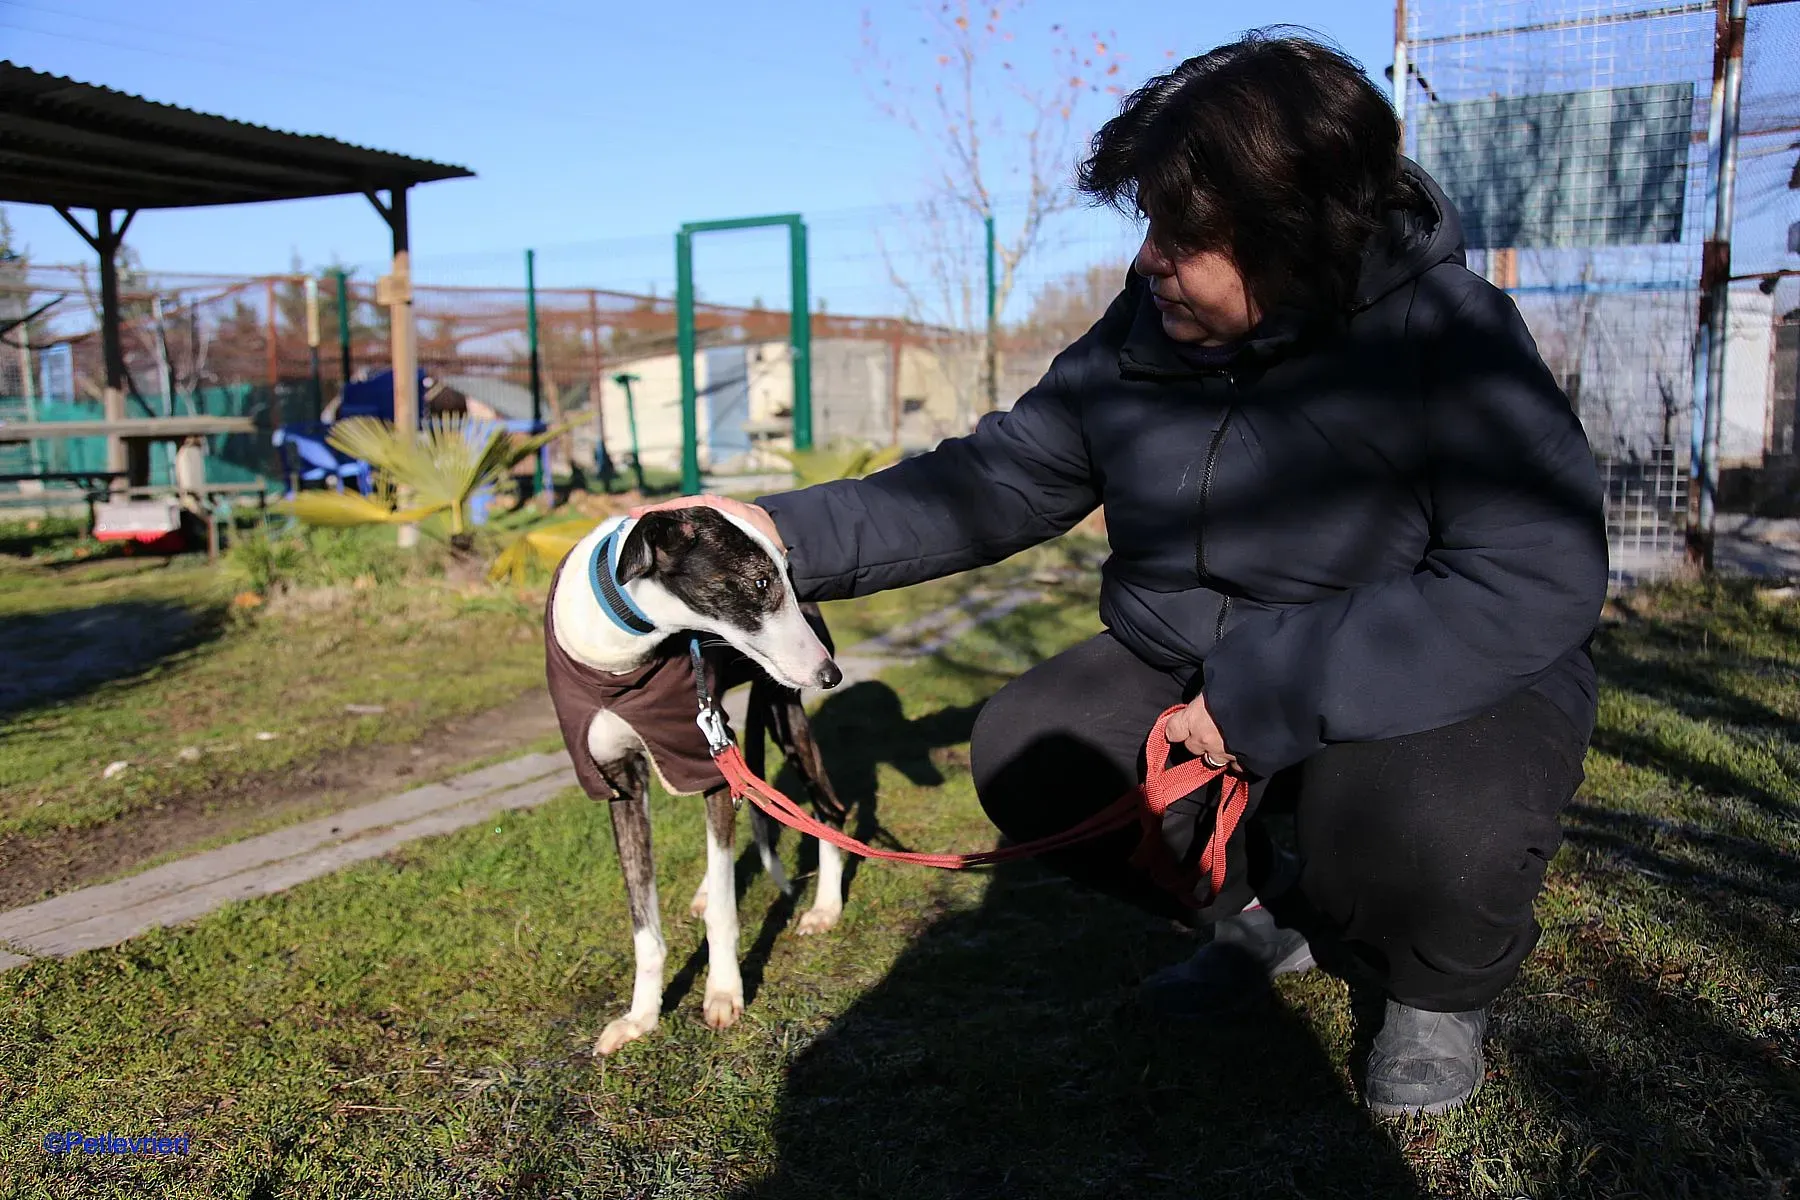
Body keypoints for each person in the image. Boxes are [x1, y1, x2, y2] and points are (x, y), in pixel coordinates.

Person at [645, 31, 1607, 1116]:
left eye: (1185, 233)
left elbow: (1529, 576)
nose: (1151, 257)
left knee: (1417, 820)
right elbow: (1002, 477)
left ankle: (1433, 985)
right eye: (1149, 221)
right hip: (1197, 652)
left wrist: (1261, 694)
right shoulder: (1145, 329)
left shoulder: (1454, 338)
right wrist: (767, 535)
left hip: (1426, 661)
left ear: (1300, 236)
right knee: (1032, 746)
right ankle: (1258, 915)